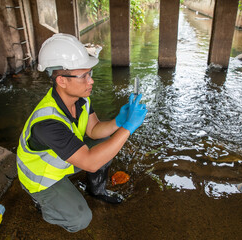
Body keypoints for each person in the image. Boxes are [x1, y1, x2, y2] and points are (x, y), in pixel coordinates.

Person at [16, 33, 147, 233]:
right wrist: (128, 128)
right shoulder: (48, 123)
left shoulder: (80, 99)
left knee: (105, 141)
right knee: (80, 219)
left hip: (65, 161)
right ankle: (44, 205)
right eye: (84, 76)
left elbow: (94, 131)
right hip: (42, 179)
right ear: (61, 81)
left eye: (90, 74)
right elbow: (91, 161)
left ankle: (97, 190)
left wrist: (119, 122)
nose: (91, 81)